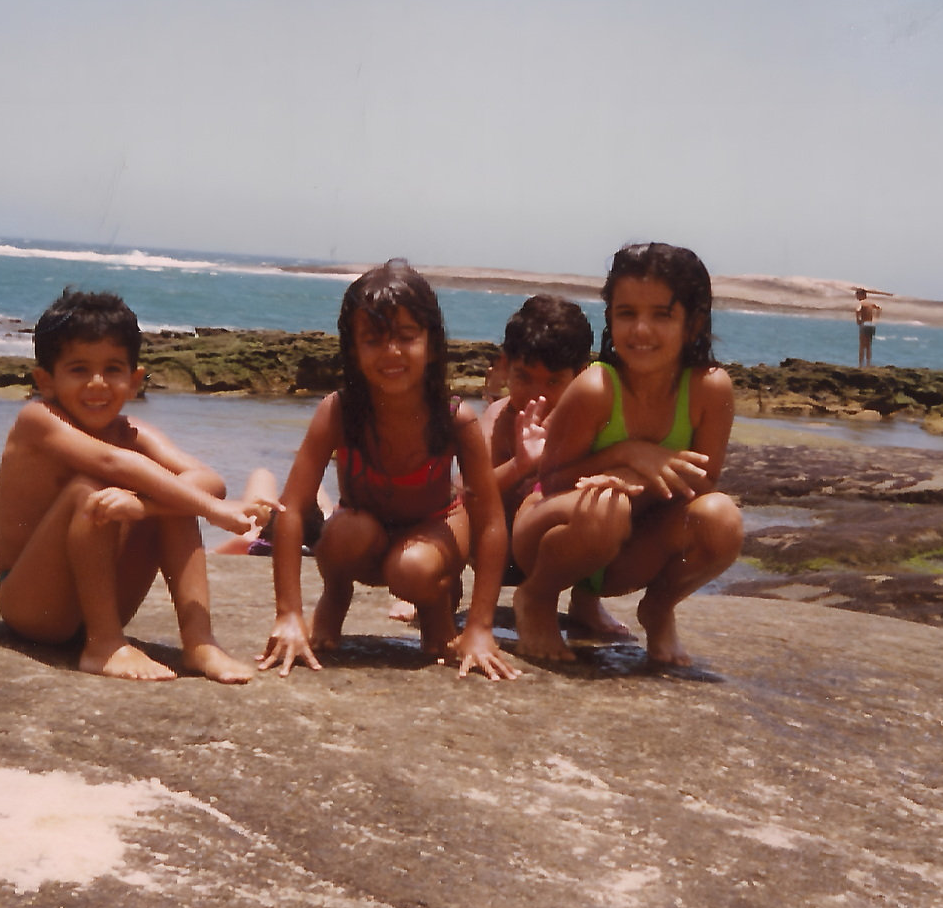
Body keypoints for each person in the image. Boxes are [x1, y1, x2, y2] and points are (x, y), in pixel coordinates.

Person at [258, 260, 519, 680]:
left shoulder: (455, 418)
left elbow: (490, 521)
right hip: (364, 529)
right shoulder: (339, 412)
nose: (392, 352)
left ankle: (436, 606)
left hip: (434, 529)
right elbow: (291, 510)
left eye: (405, 337)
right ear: (353, 350)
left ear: (432, 344)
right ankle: (335, 596)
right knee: (344, 534)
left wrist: (481, 627)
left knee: (412, 569)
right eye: (374, 340)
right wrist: (288, 613)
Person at [0, 289, 262, 682]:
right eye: (79, 369)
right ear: (46, 381)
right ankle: (104, 644)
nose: (97, 383)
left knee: (172, 495)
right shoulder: (38, 419)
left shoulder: (134, 433)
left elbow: (210, 480)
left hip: (96, 599)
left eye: (113, 369)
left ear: (135, 381)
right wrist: (216, 512)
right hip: (33, 605)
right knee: (92, 488)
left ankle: (200, 643)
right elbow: (110, 461)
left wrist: (146, 506)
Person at [510, 243, 744, 667]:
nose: (641, 330)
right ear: (610, 317)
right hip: (553, 536)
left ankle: (658, 608)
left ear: (693, 323)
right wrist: (628, 454)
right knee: (606, 506)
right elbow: (549, 481)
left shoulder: (711, 389)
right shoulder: (596, 387)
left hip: (629, 555)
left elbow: (702, 485)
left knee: (721, 518)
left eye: (661, 314)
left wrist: (639, 484)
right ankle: (536, 598)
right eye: (627, 313)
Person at [478, 295, 630, 643]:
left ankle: (586, 601)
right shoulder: (499, 418)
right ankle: (445, 590)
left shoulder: (587, 422)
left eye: (553, 382)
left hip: (552, 551)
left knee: (604, 500)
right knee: (458, 508)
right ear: (505, 367)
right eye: (524, 378)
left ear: (581, 376)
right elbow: (465, 491)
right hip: (498, 552)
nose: (538, 396)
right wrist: (519, 465)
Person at [854, 288, 882, 368]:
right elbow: (879, 308)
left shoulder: (861, 303)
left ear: (862, 295)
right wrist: (876, 318)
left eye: (857, 294)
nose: (856, 296)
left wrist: (857, 319)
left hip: (864, 324)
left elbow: (858, 309)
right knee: (868, 346)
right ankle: (868, 364)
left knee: (862, 346)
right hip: (871, 324)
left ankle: (860, 365)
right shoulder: (871, 303)